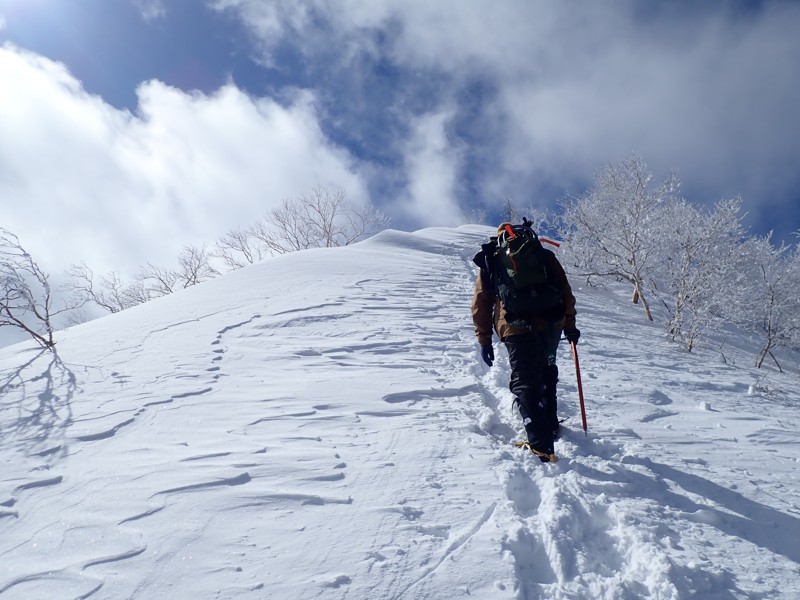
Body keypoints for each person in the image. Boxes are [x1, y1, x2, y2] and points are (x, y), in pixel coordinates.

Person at [471, 222, 579, 462]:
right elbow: (565, 291)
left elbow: (481, 302)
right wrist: (570, 326)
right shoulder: (542, 254)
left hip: (514, 325)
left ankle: (541, 446)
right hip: (551, 323)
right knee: (546, 371)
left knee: (525, 380)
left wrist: (484, 339)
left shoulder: (493, 258)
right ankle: (549, 426)